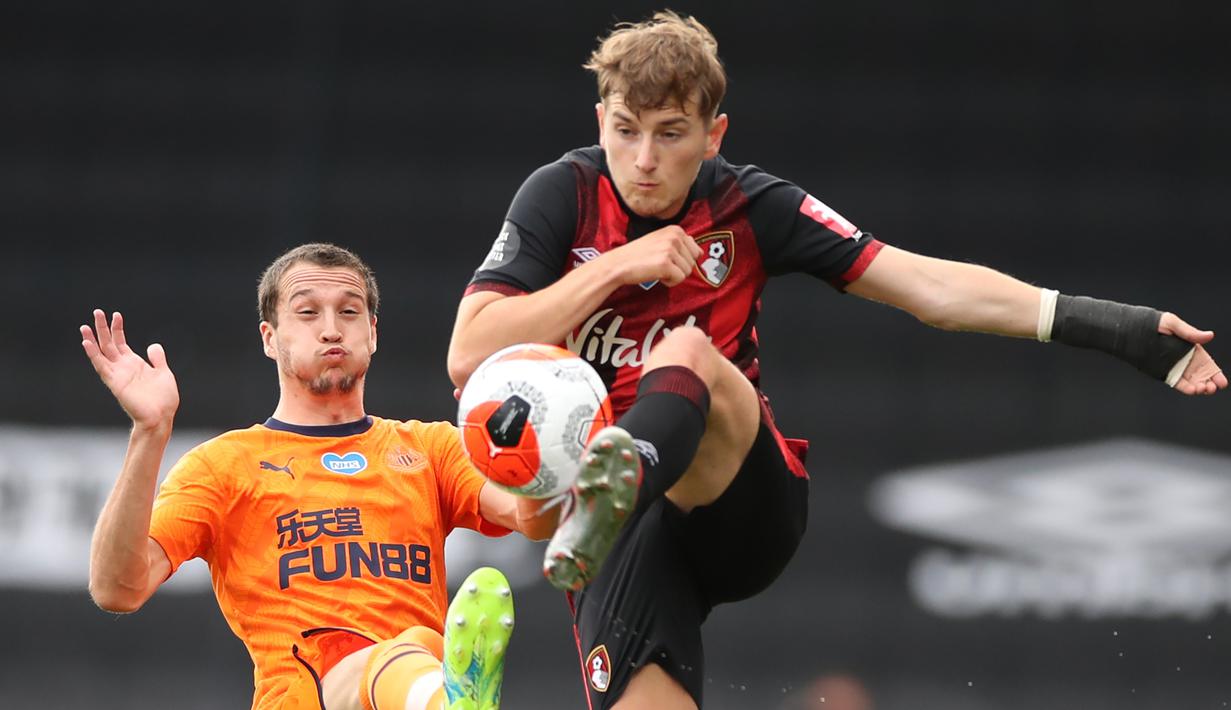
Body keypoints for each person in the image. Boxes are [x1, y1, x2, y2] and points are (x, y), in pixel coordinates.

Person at [445, 10, 1227, 710]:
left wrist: (1118, 328)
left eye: (670, 133)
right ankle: (604, 501)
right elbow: (469, 350)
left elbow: (928, 287)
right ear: (599, 120)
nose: (643, 158)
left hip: (737, 501)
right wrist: (617, 266)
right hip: (624, 536)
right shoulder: (561, 194)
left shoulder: (752, 205)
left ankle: (618, 476)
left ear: (714, 136)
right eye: (624, 130)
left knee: (687, 350)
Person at [82, 243, 555, 710]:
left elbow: (530, 516)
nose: (331, 329)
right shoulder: (225, 465)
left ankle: (445, 698)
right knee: (408, 649)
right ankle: (450, 701)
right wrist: (150, 431)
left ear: (372, 333)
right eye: (307, 313)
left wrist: (539, 438)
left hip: (410, 680)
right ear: (269, 338)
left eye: (349, 313)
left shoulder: (430, 449)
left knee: (416, 645)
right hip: (308, 695)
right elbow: (117, 588)